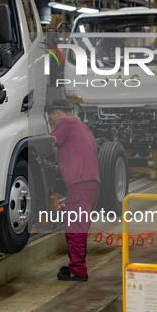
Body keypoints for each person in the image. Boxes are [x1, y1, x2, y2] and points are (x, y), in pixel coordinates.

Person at [47, 100, 101, 281]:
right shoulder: (83, 127)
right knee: (77, 226)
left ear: (56, 112)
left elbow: (50, 145)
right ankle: (75, 267)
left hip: (80, 183)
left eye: (51, 118)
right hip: (91, 183)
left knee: (75, 227)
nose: (52, 123)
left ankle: (78, 270)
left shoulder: (65, 122)